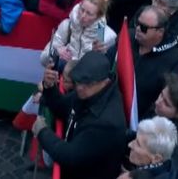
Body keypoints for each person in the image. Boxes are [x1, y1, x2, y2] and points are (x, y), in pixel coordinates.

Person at [32, 50, 129, 179]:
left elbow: (70, 156)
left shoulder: (105, 124)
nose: (80, 87)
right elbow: (62, 107)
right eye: (78, 81)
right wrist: (49, 87)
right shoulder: (89, 92)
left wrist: (42, 132)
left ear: (104, 82)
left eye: (87, 83)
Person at [41, 0, 115, 70]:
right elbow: (43, 59)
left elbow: (106, 71)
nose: (83, 16)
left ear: (98, 17)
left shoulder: (106, 36)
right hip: (64, 75)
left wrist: (98, 55)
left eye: (89, 13)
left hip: (86, 79)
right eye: (82, 10)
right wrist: (56, 51)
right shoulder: (67, 25)